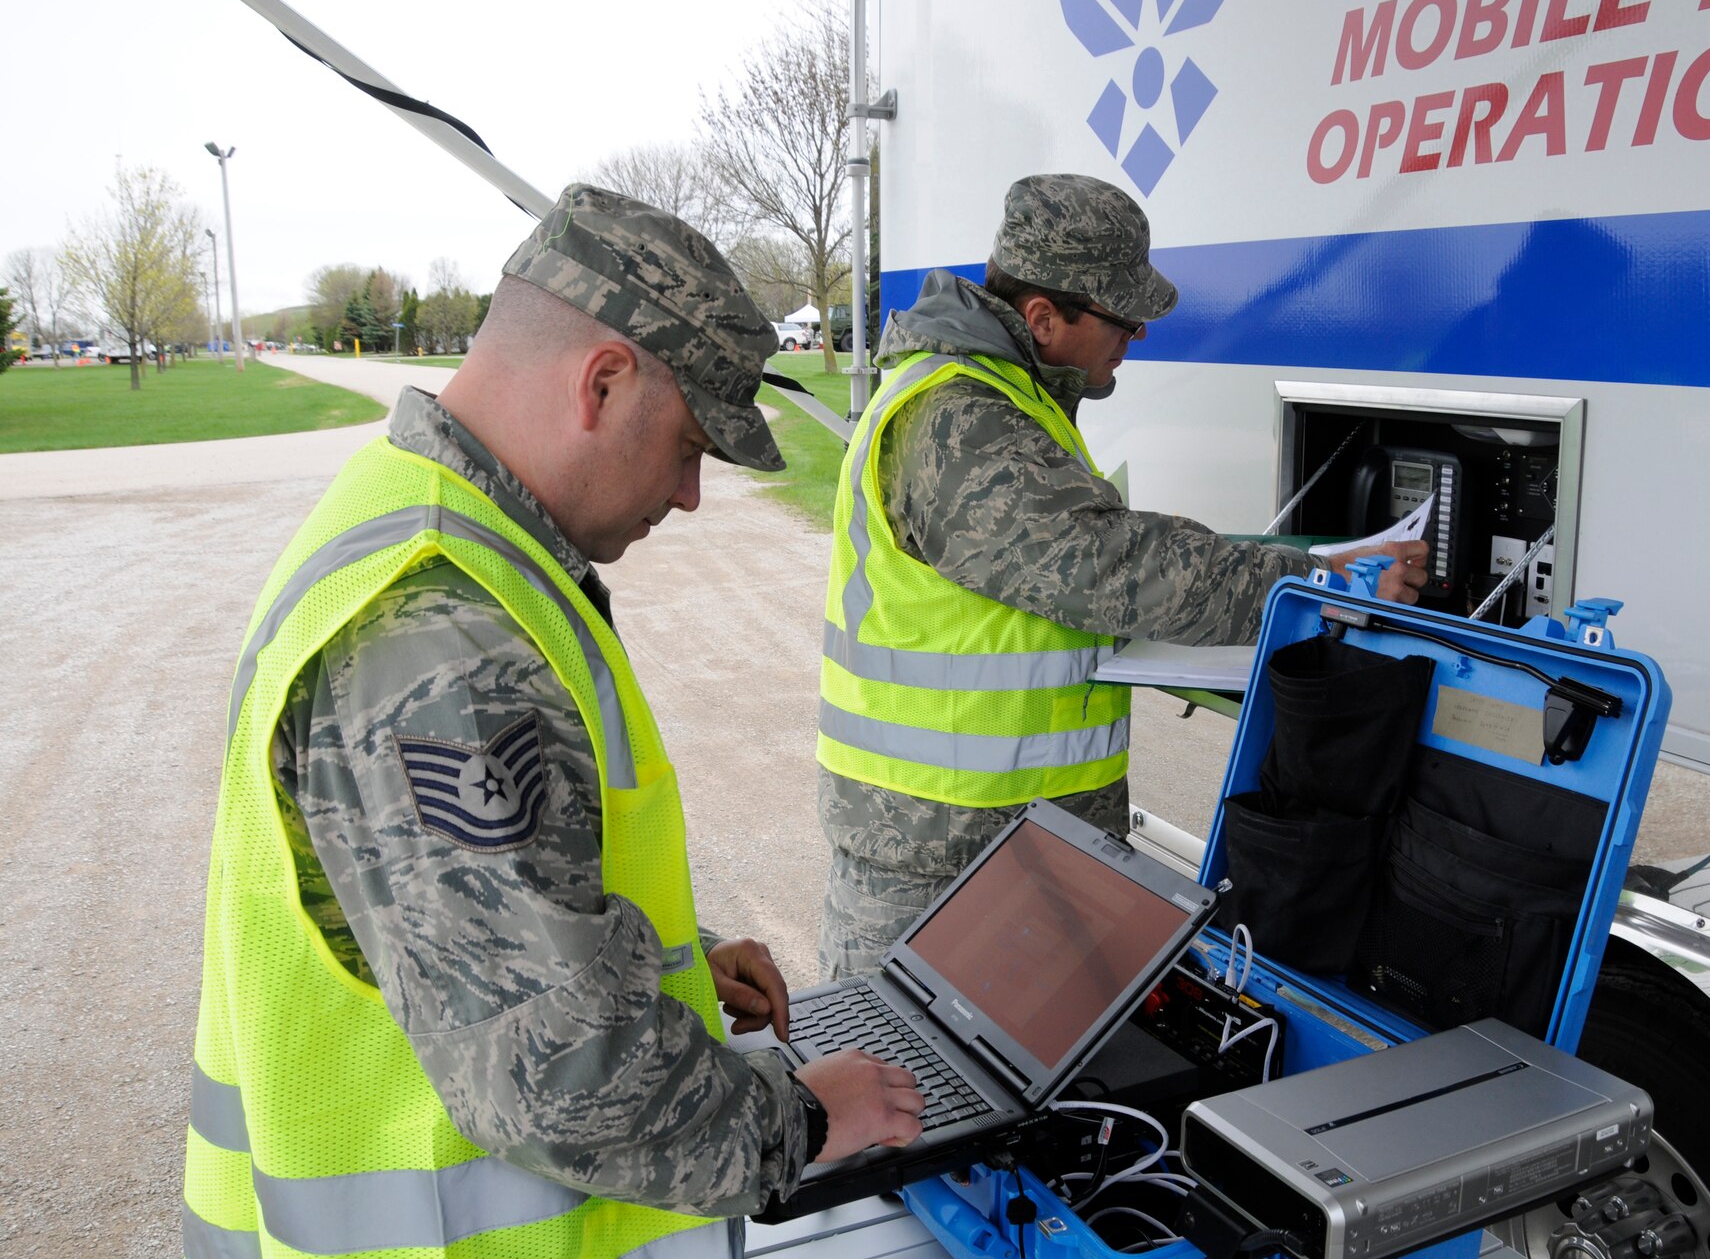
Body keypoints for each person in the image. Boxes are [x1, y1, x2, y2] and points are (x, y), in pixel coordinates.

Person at [181, 184, 923, 1259]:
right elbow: (556, 1077)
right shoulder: (441, 635)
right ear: (604, 380)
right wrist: (802, 1116)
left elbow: (442, 924)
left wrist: (676, 963)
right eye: (687, 445)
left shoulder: (415, 515)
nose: (688, 494)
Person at [815, 173, 1429, 981]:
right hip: (942, 859)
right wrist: (1320, 581)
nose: (1137, 334)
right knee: (917, 1095)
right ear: (1043, 317)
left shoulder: (1008, 399)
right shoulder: (958, 417)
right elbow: (1108, 565)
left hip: (1002, 842)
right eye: (1123, 316)